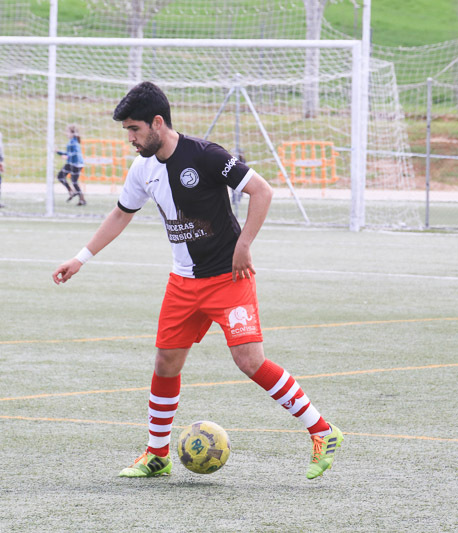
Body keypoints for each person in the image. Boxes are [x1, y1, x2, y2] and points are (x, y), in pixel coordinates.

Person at [52, 81, 343, 480]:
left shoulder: (206, 155)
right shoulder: (142, 169)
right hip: (183, 283)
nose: (130, 138)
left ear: (157, 123)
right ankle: (157, 455)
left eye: (135, 129)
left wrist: (244, 245)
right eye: (127, 131)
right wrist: (80, 258)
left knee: (249, 361)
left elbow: (262, 191)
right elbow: (121, 214)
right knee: (165, 363)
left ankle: (322, 430)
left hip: (228, 278)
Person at [56, 125, 86, 206]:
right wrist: (59, 152)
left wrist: (68, 156)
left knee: (68, 179)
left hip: (76, 164)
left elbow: (75, 152)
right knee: (63, 177)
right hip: (72, 163)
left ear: (73, 133)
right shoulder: (72, 141)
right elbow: (69, 153)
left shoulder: (74, 142)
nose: (66, 133)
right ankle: (73, 193)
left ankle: (80, 197)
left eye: (68, 132)